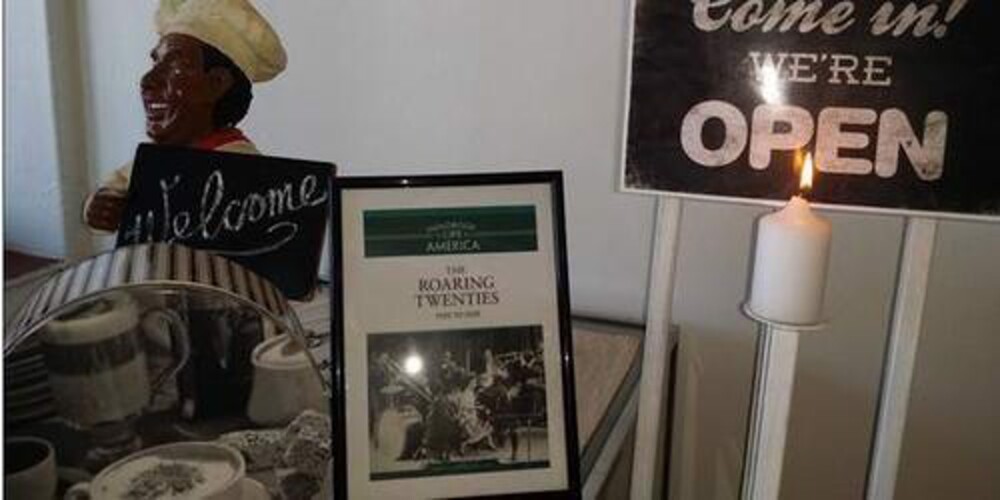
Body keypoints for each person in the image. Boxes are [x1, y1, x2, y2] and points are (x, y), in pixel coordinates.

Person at [83, 0, 286, 232]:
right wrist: (100, 208)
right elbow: (114, 191)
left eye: (175, 65)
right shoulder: (153, 162)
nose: (148, 81)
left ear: (216, 84)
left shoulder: (246, 171)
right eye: (156, 62)